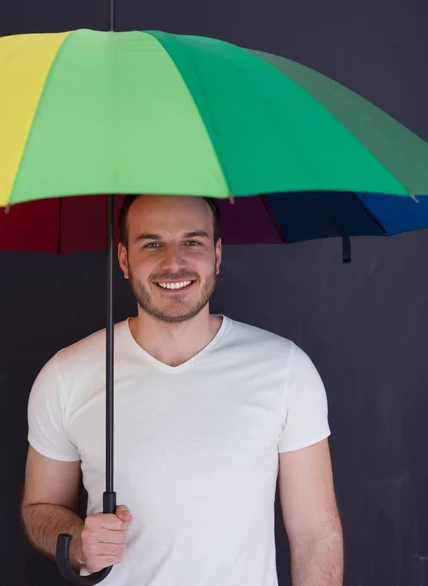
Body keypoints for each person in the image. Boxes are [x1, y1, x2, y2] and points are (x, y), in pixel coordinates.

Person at [20, 194, 344, 585]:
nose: (173, 261)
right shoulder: (66, 375)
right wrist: (75, 544)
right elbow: (40, 507)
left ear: (217, 254)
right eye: (152, 243)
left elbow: (314, 536)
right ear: (124, 259)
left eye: (193, 241)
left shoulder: (285, 369)